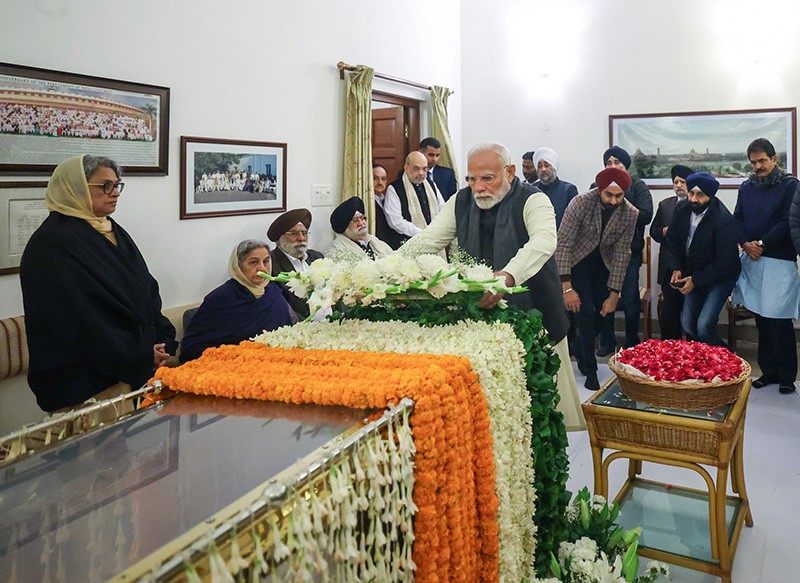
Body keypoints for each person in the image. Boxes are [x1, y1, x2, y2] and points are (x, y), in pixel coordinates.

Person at [403, 142, 585, 431]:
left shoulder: (533, 200)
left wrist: (507, 277)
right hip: (484, 322)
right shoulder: (460, 201)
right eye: (472, 179)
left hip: (535, 312)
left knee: (541, 411)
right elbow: (427, 240)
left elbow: (544, 242)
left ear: (510, 172)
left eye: (487, 178)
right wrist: (386, 269)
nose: (478, 187)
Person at [20, 155, 177, 412]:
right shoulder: (52, 244)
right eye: (105, 186)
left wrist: (161, 338)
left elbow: (145, 290)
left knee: (125, 452)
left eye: (117, 185)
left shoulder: (112, 230)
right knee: (94, 452)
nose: (115, 193)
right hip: (84, 384)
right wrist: (141, 354)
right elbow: (81, 320)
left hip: (127, 369)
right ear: (77, 188)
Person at [557, 167, 638, 390]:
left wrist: (614, 294)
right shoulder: (580, 203)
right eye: (608, 195)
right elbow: (563, 243)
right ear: (600, 190)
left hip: (604, 264)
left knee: (603, 313)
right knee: (585, 312)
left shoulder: (630, 213)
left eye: (619, 196)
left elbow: (623, 254)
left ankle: (584, 356)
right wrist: (566, 287)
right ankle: (590, 369)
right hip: (577, 262)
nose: (613, 201)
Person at [733, 138, 800, 394]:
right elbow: (737, 219)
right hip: (752, 260)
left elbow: (789, 221)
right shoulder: (746, 187)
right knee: (761, 319)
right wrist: (744, 243)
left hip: (779, 260)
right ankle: (768, 372)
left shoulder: (790, 186)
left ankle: (786, 377)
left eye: (762, 160)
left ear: (774, 159)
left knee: (779, 321)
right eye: (753, 162)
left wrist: (760, 243)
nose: (758, 166)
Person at [180, 240, 294, 362]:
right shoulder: (220, 299)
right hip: (233, 368)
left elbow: (288, 331)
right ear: (238, 266)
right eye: (253, 262)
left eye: (266, 262)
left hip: (279, 362)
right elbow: (191, 348)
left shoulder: (273, 293)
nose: (262, 268)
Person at [666, 172, 740, 347]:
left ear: (711, 195)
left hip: (720, 278)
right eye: (691, 193)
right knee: (688, 323)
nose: (693, 199)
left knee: (704, 325)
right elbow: (673, 240)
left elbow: (725, 263)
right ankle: (705, 362)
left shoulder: (723, 219)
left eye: (700, 195)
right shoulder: (682, 208)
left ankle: (728, 361)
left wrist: (695, 280)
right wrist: (676, 268)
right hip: (694, 273)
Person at [596, 145, 653, 353]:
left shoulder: (638, 186)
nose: (613, 166)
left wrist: (619, 199)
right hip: (602, 255)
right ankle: (607, 342)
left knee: (629, 299)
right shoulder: (597, 185)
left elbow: (646, 215)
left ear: (626, 165)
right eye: (609, 163)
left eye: (617, 162)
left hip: (630, 253)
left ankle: (631, 341)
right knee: (604, 297)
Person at [650, 164, 693, 339]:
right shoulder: (665, 205)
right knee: (669, 310)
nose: (679, 185)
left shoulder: (696, 203)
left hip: (690, 266)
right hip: (668, 267)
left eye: (683, 182)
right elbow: (654, 231)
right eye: (676, 182)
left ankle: (691, 349)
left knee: (691, 310)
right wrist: (664, 231)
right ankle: (670, 348)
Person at [267, 208, 325, 320]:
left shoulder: (317, 257)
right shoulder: (271, 265)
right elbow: (283, 309)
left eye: (304, 233)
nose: (301, 238)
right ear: (279, 239)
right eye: (294, 234)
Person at [384, 151, 445, 245]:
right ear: (406, 167)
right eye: (416, 168)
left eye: (424, 169)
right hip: (408, 244)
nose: (421, 173)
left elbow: (443, 209)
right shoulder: (395, 188)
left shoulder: (431, 185)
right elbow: (395, 221)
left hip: (434, 240)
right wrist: (423, 234)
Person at [327, 196, 393, 261]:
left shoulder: (376, 242)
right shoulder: (337, 252)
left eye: (362, 218)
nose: (361, 223)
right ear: (344, 227)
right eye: (355, 220)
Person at [532, 147, 578, 228]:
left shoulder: (568, 190)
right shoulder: (531, 189)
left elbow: (573, 220)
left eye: (547, 165)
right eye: (540, 166)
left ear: (554, 167)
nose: (543, 169)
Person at [372, 162, 403, 249]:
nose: (380, 182)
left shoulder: (387, 199)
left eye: (383, 179)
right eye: (375, 178)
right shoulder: (368, 204)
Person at [419, 137, 458, 201]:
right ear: (420, 153)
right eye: (431, 155)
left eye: (437, 155)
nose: (434, 159)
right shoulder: (410, 174)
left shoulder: (447, 175)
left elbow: (452, 201)